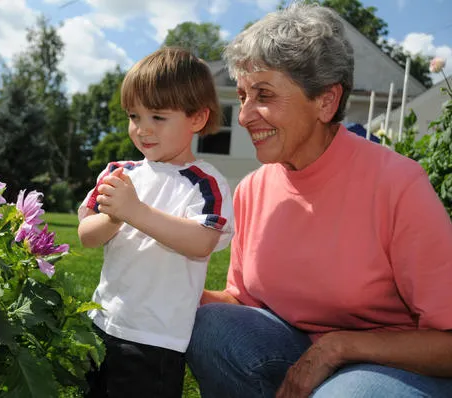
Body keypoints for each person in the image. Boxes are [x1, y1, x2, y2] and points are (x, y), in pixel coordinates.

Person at [185, 3, 452, 398]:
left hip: (395, 364)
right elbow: (241, 302)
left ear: (326, 101)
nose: (243, 116)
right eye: (242, 95)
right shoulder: (253, 189)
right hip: (294, 347)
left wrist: (340, 346)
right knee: (211, 327)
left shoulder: (397, 184)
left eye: (263, 94)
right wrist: (164, 285)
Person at [78, 47, 234, 398]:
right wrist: (114, 218)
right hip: (103, 323)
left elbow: (201, 242)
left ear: (196, 118)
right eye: (135, 116)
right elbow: (87, 235)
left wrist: (136, 212)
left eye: (158, 118)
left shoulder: (205, 181)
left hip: (156, 339)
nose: (143, 129)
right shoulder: (119, 173)